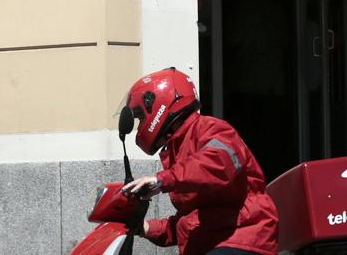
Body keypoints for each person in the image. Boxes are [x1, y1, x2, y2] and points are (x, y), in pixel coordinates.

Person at [118, 67, 278, 255]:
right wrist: (143, 227)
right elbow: (190, 221)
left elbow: (219, 164)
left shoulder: (211, 128)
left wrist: (162, 180)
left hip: (243, 236)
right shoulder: (177, 148)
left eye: (141, 117)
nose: (140, 125)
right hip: (214, 241)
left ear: (157, 106)